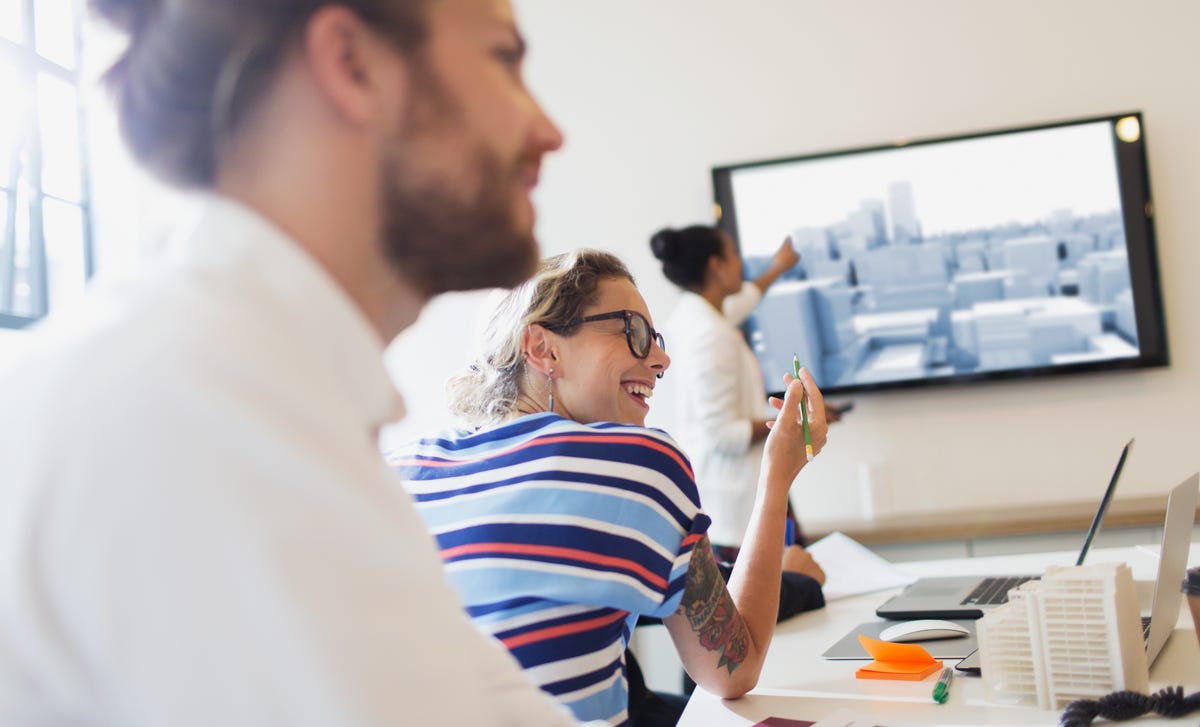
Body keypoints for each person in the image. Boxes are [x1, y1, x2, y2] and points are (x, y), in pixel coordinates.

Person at [0, 1, 604, 725]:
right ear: (352, 64)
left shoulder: (262, 387)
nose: (549, 129)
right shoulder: (204, 411)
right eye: (504, 60)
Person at [390, 249, 828, 725]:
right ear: (543, 348)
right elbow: (733, 672)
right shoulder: (639, 462)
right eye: (633, 332)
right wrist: (777, 476)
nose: (661, 360)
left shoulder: (401, 469)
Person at [650, 225, 841, 567]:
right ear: (716, 266)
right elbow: (724, 434)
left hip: (725, 500)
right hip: (738, 509)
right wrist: (793, 422)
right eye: (734, 255)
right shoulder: (711, 335)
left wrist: (778, 267)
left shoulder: (693, 317)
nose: (741, 263)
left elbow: (743, 301)